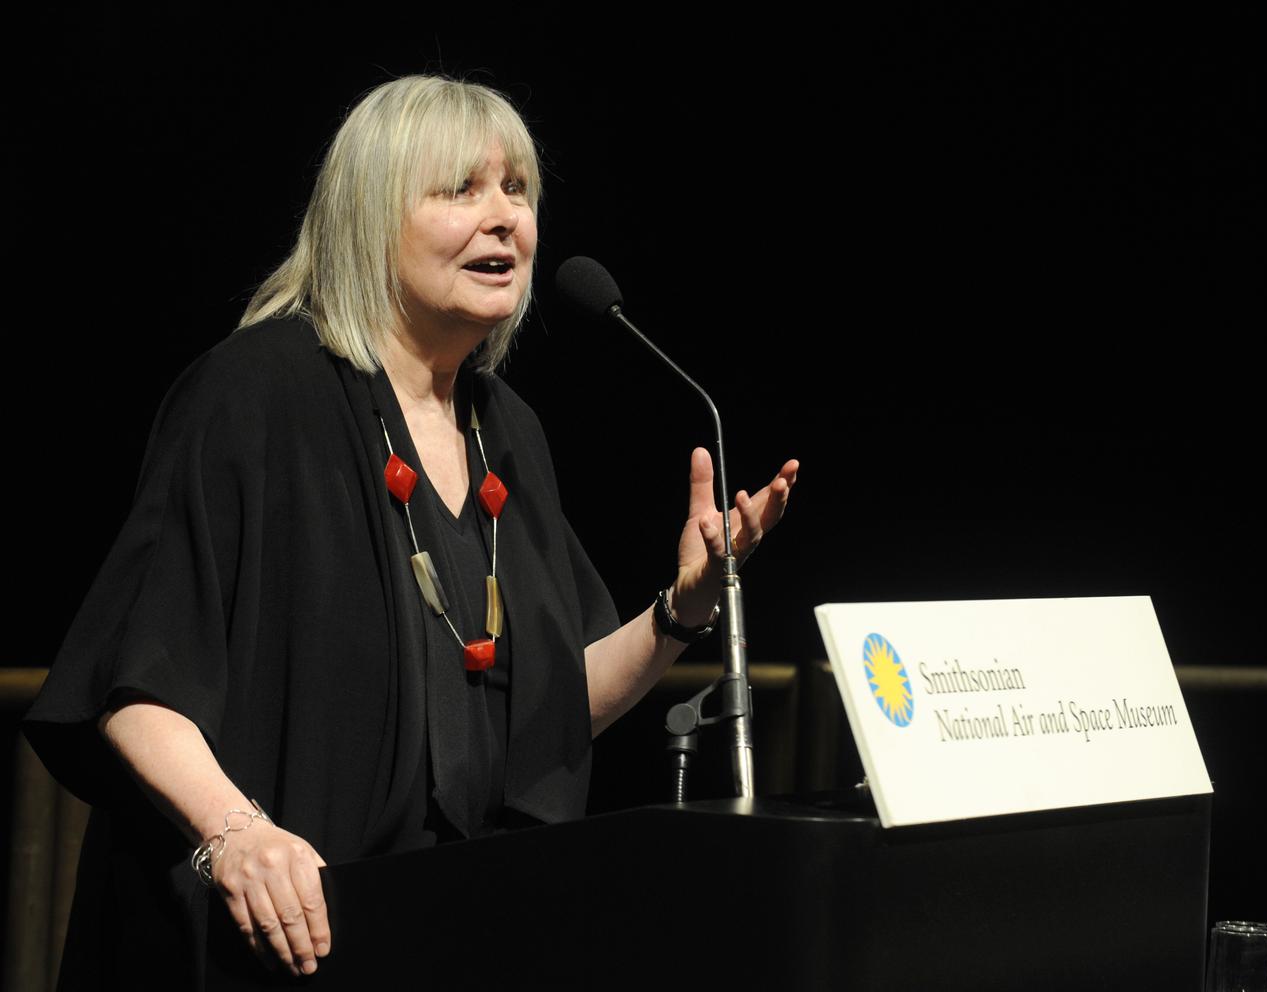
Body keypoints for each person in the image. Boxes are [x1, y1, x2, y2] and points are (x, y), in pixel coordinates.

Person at [25, 74, 798, 987]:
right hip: (275, 939)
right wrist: (238, 836)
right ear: (367, 217)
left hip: (445, 931)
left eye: (517, 190)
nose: (504, 216)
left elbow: (536, 710)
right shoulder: (256, 395)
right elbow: (135, 681)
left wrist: (680, 611)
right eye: (460, 189)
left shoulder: (506, 430)